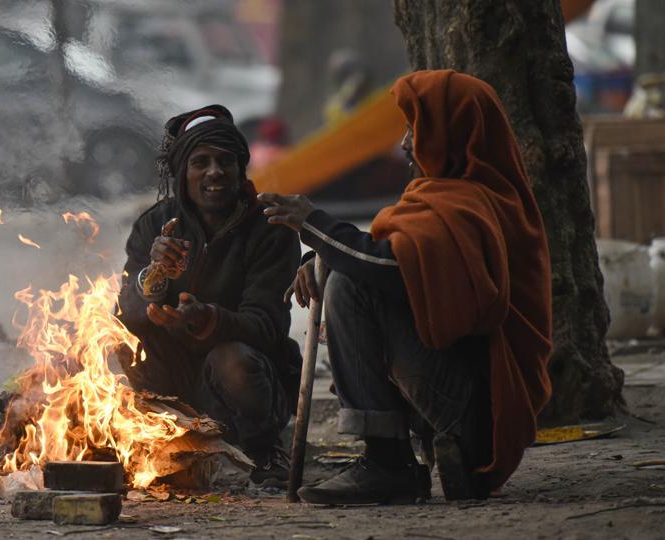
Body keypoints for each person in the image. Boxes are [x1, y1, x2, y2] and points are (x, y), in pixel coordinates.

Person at [259, 70, 552, 504]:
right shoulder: (458, 196)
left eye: (416, 128)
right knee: (343, 273)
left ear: (450, 132)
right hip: (466, 399)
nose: (404, 143)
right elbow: (390, 253)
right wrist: (319, 254)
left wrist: (314, 226)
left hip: (478, 413)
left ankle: (388, 463)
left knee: (347, 287)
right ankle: (401, 459)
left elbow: (389, 268)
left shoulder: (468, 206)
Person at [117, 105, 302, 486]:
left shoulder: (271, 227)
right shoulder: (154, 224)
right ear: (183, 174)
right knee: (109, 356)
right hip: (171, 377)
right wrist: (153, 278)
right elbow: (126, 313)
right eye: (200, 162)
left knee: (232, 359)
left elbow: (267, 325)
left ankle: (265, 452)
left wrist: (206, 319)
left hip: (244, 385)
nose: (214, 172)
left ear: (240, 169)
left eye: (225, 161)